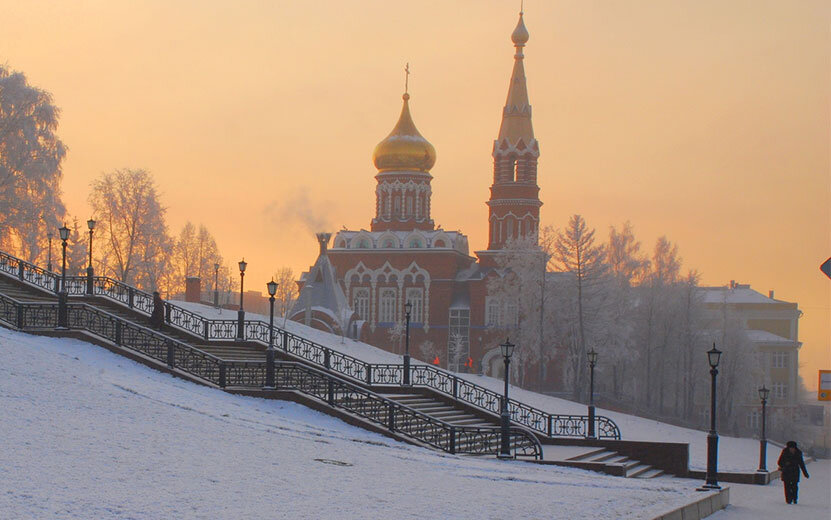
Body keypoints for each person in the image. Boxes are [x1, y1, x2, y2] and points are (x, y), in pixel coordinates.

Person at [777, 440, 809, 504]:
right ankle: (788, 499)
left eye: (793, 448)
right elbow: (779, 462)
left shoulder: (798, 453)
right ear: (788, 448)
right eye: (790, 448)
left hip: (795, 472)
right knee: (787, 486)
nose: (792, 449)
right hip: (786, 472)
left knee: (794, 487)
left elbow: (801, 464)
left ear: (795, 448)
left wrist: (805, 473)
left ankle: (794, 498)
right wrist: (785, 464)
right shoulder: (784, 452)